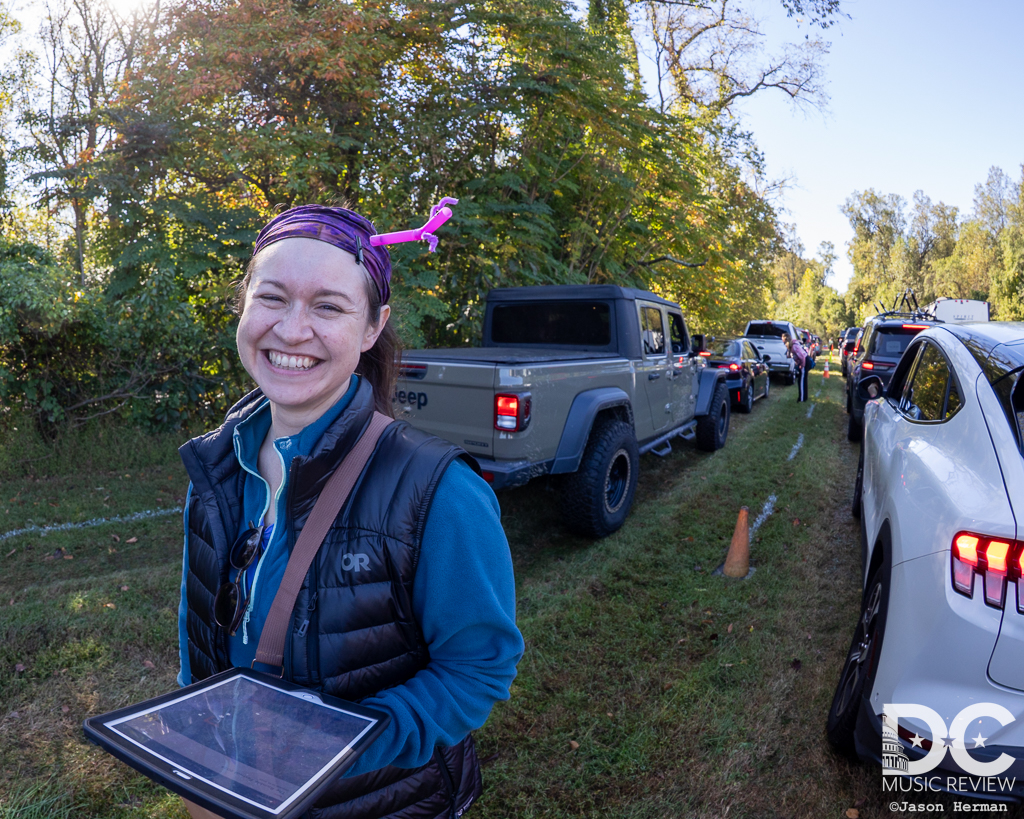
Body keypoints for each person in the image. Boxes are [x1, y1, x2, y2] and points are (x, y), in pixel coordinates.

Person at [175, 205, 524, 819]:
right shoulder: (216, 466)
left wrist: (329, 750)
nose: (291, 330)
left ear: (372, 327)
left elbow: (477, 671)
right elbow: (197, 629)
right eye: (273, 298)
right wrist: (199, 751)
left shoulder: (439, 491)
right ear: (244, 305)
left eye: (328, 307)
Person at [782, 331, 809, 402]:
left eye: (784, 342)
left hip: (805, 361)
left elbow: (802, 357)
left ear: (787, 341)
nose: (784, 344)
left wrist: (802, 365)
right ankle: (803, 397)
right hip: (802, 362)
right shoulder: (791, 347)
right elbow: (792, 356)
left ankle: (802, 399)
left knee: (802, 381)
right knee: (801, 380)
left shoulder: (794, 346)